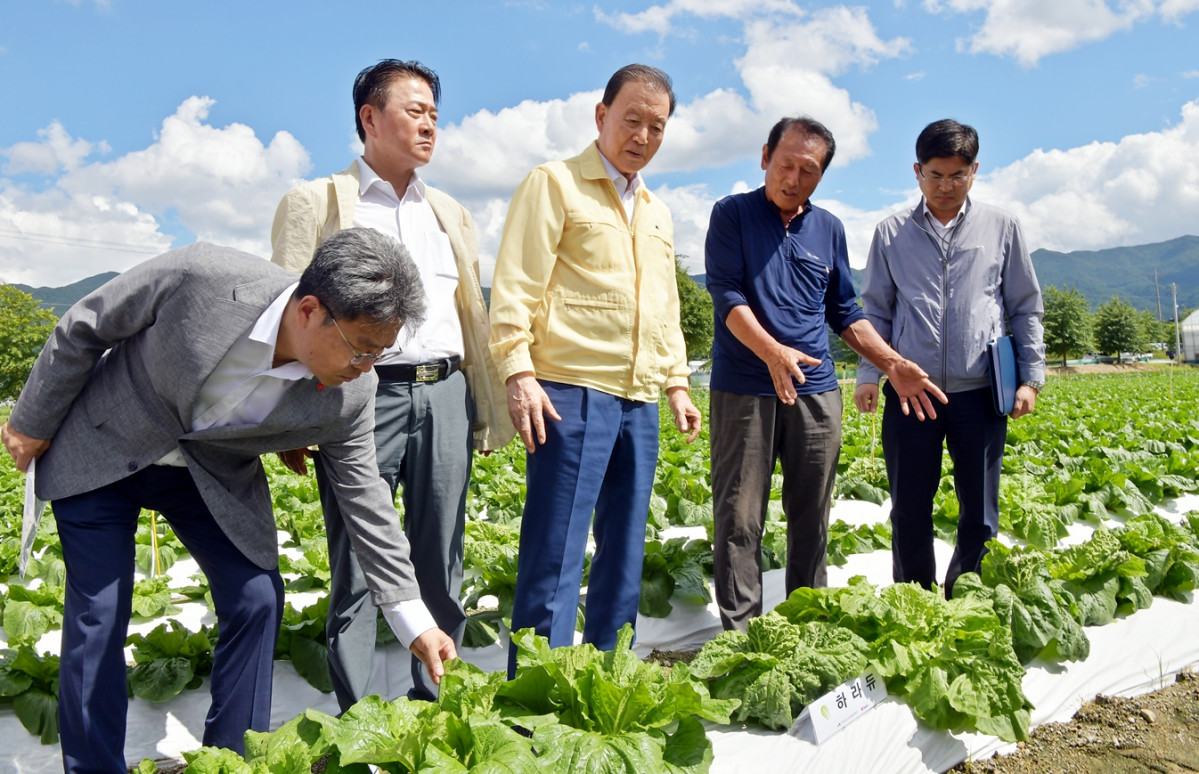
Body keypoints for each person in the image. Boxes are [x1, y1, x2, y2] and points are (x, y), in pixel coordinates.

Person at [0, 229, 457, 773]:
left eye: (382, 353)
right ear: (310, 310)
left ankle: (228, 760)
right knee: (98, 614)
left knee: (257, 597)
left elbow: (367, 502)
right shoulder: (202, 278)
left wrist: (414, 621)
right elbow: (84, 325)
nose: (366, 367)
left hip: (207, 471)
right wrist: (31, 422)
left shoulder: (351, 393)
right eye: (361, 349)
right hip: (105, 443)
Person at [270, 59, 511, 708]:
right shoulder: (318, 203)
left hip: (446, 393)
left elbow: (470, 314)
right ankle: (357, 721)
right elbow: (290, 310)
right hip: (358, 397)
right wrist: (292, 413)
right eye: (414, 110)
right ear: (369, 119)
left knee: (442, 560)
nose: (430, 123)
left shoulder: (450, 214)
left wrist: (482, 408)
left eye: (435, 112)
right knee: (355, 564)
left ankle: (436, 709)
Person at [488, 64, 702, 671]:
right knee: (555, 552)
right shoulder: (555, 184)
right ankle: (537, 698)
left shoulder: (656, 210)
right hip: (570, 391)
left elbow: (665, 306)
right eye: (631, 119)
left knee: (625, 551)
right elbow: (515, 286)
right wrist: (518, 370)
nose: (642, 135)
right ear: (601, 115)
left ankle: (607, 677)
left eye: (656, 127)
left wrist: (678, 381)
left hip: (639, 398)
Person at [705, 116, 947, 631]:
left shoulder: (829, 228)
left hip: (815, 390)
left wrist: (892, 362)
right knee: (739, 517)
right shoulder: (732, 214)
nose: (793, 178)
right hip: (745, 387)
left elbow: (845, 310)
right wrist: (772, 352)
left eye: (808, 170)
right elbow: (727, 295)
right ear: (765, 155)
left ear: (821, 176)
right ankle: (741, 634)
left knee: (811, 513)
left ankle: (806, 623)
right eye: (786, 163)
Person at [854, 118, 1045, 597]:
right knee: (910, 505)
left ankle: (968, 595)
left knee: (979, 507)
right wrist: (869, 374)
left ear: (974, 171)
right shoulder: (891, 232)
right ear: (917, 171)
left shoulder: (1002, 226)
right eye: (935, 175)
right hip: (910, 393)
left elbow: (1024, 306)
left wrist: (1030, 378)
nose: (945, 186)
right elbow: (875, 309)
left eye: (957, 175)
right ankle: (915, 598)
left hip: (979, 393)